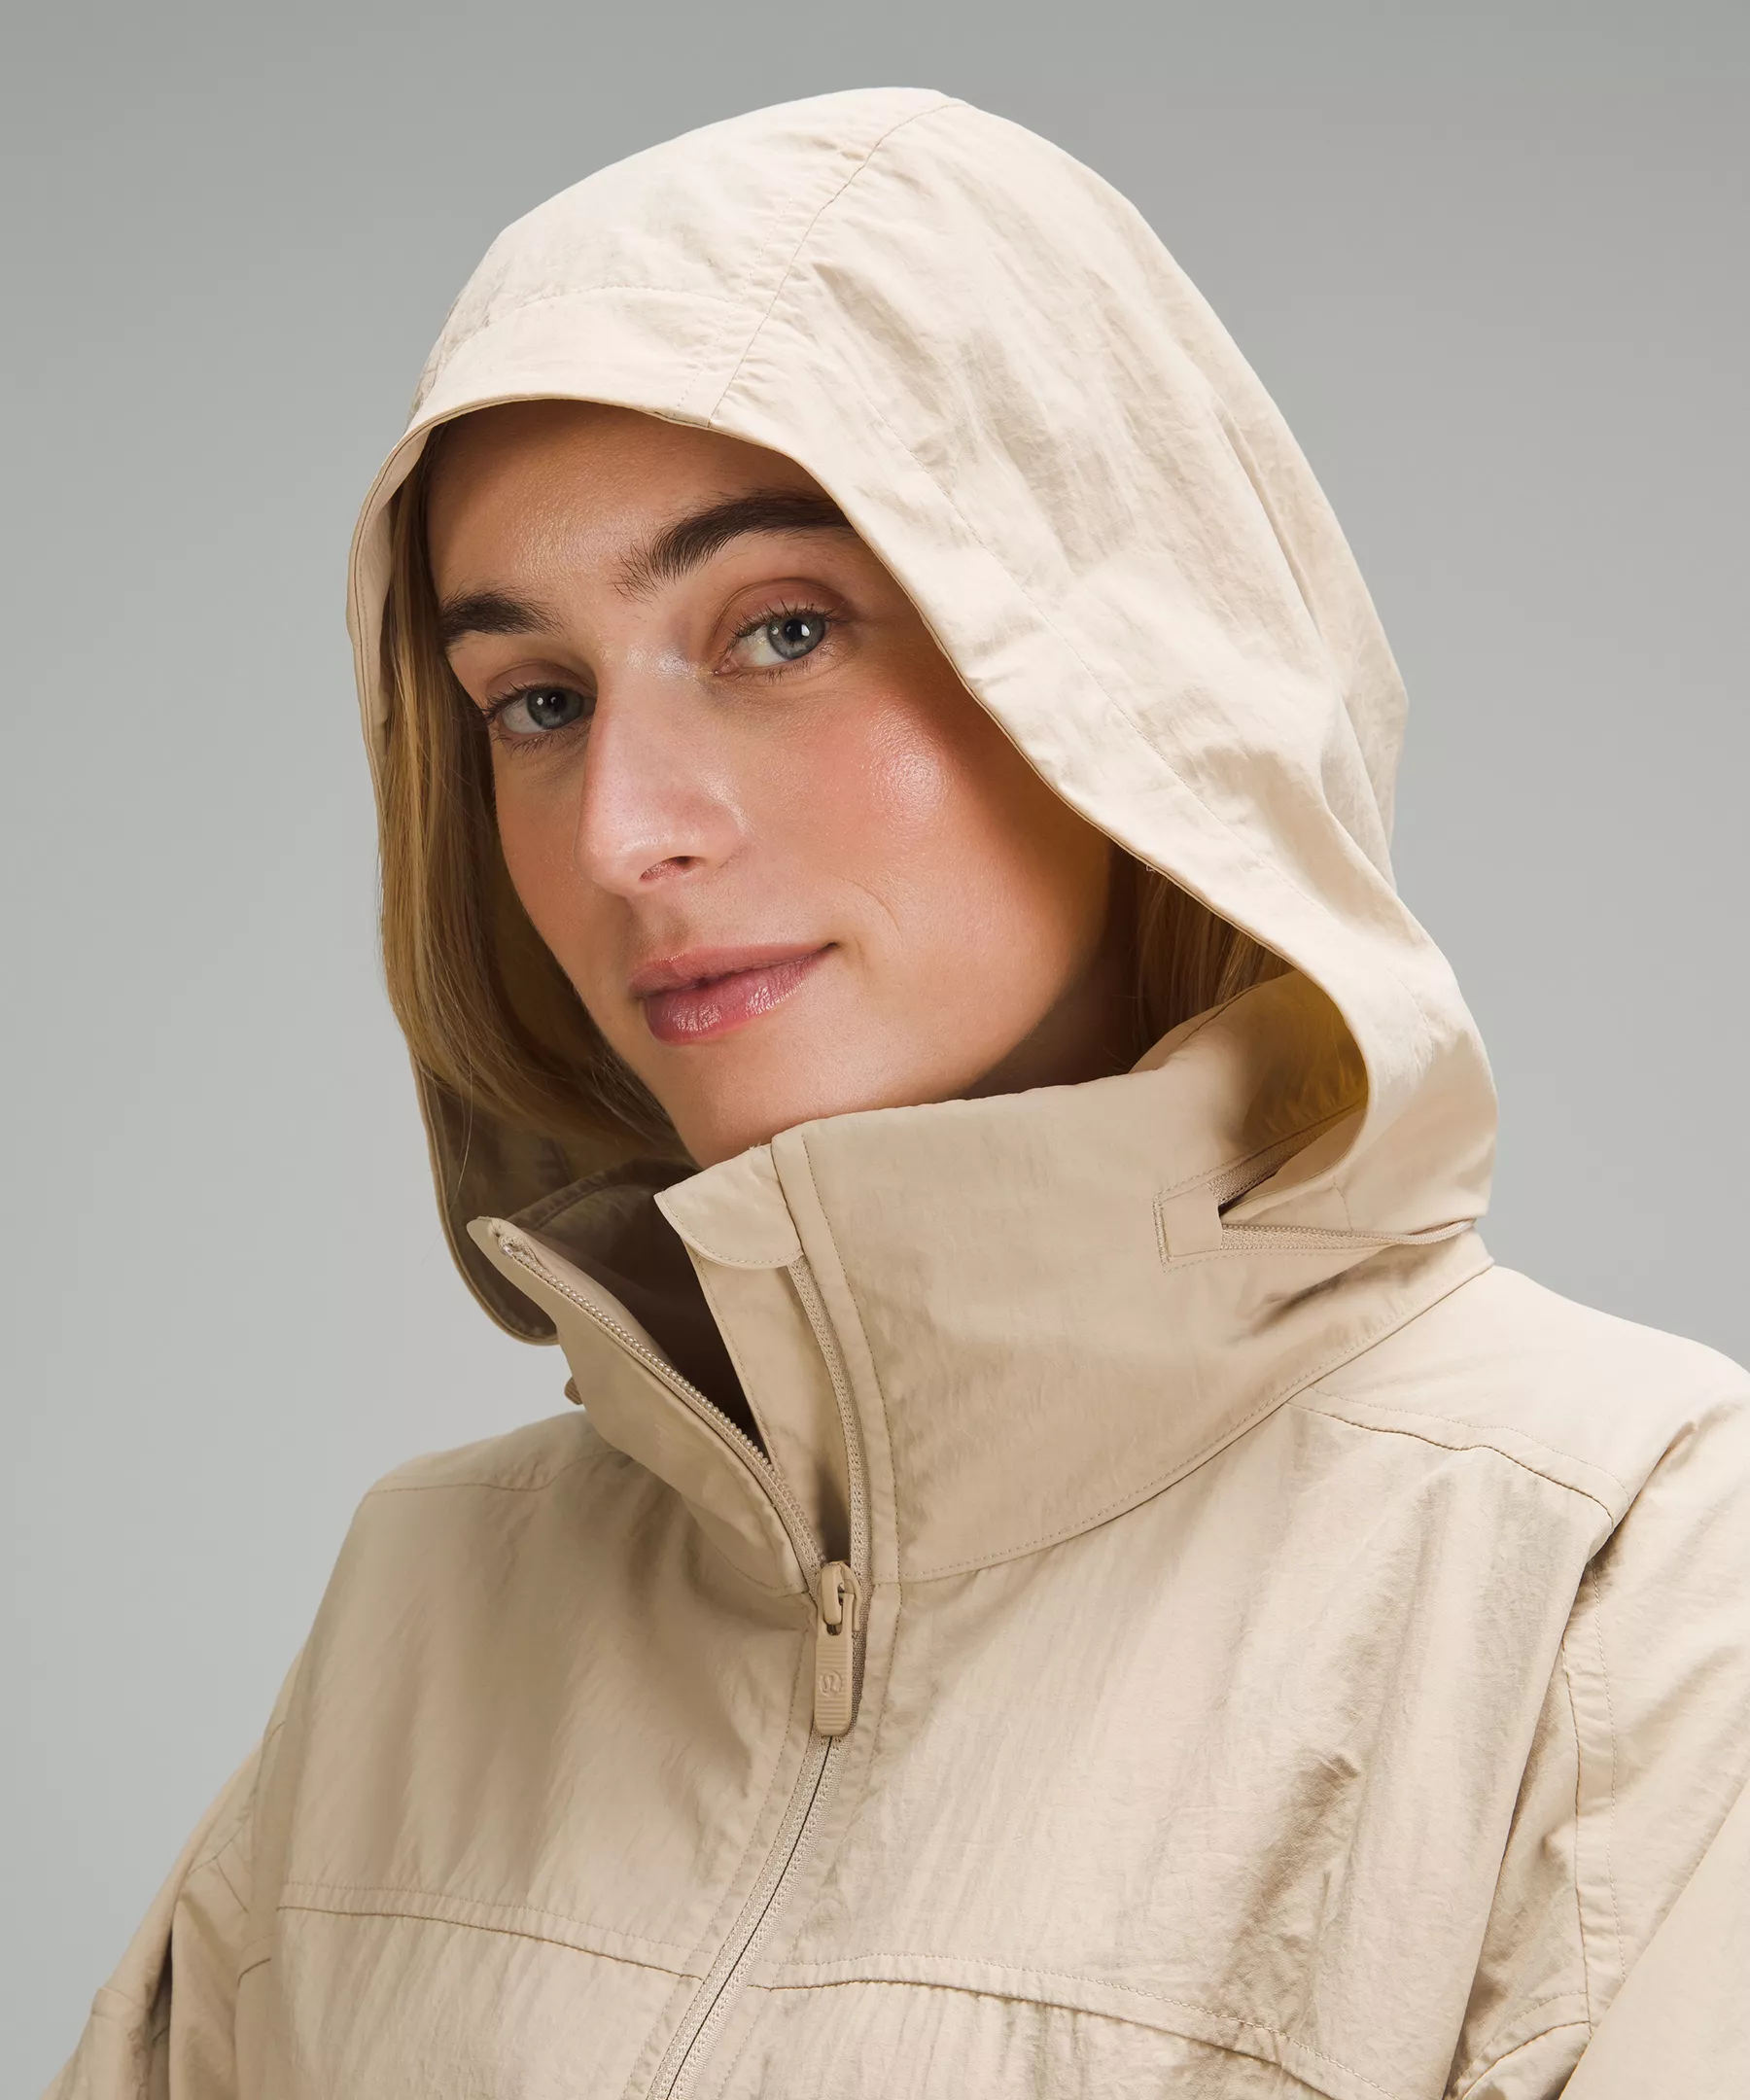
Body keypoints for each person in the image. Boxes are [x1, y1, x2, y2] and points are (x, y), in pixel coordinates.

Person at [48, 88, 1749, 2100]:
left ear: (1134, 660)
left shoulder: (1625, 1568)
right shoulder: (429, 1606)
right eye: (537, 701)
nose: (622, 833)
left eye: (782, 630)